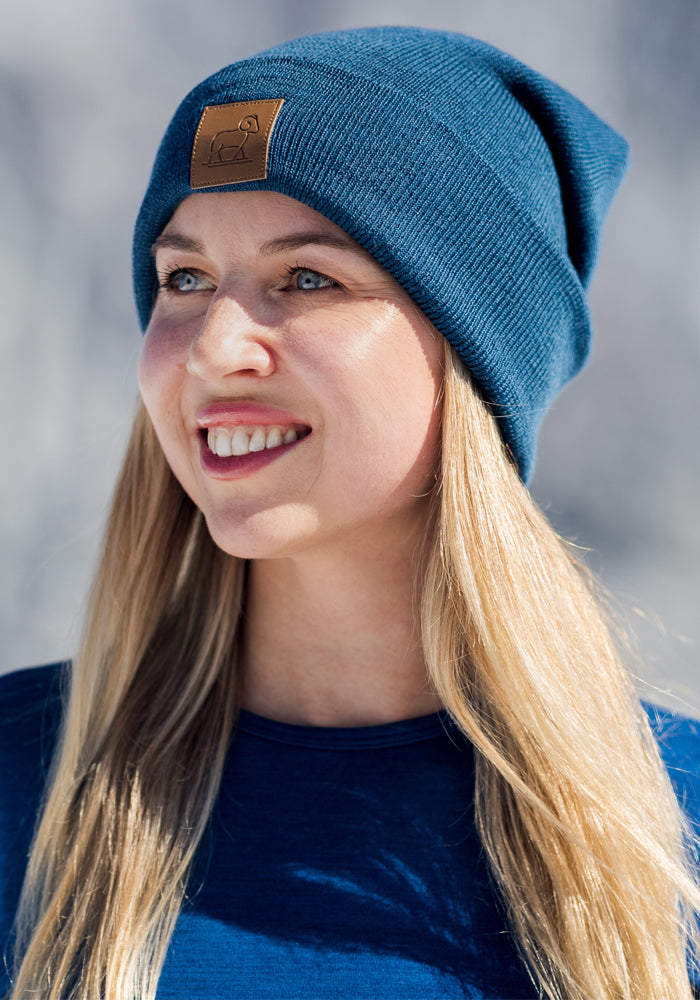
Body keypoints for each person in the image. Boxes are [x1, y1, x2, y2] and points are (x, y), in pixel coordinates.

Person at [1, 25, 700, 1000]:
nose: (213, 349)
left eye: (308, 279)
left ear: (470, 357)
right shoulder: (20, 791)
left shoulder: (671, 834)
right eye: (185, 279)